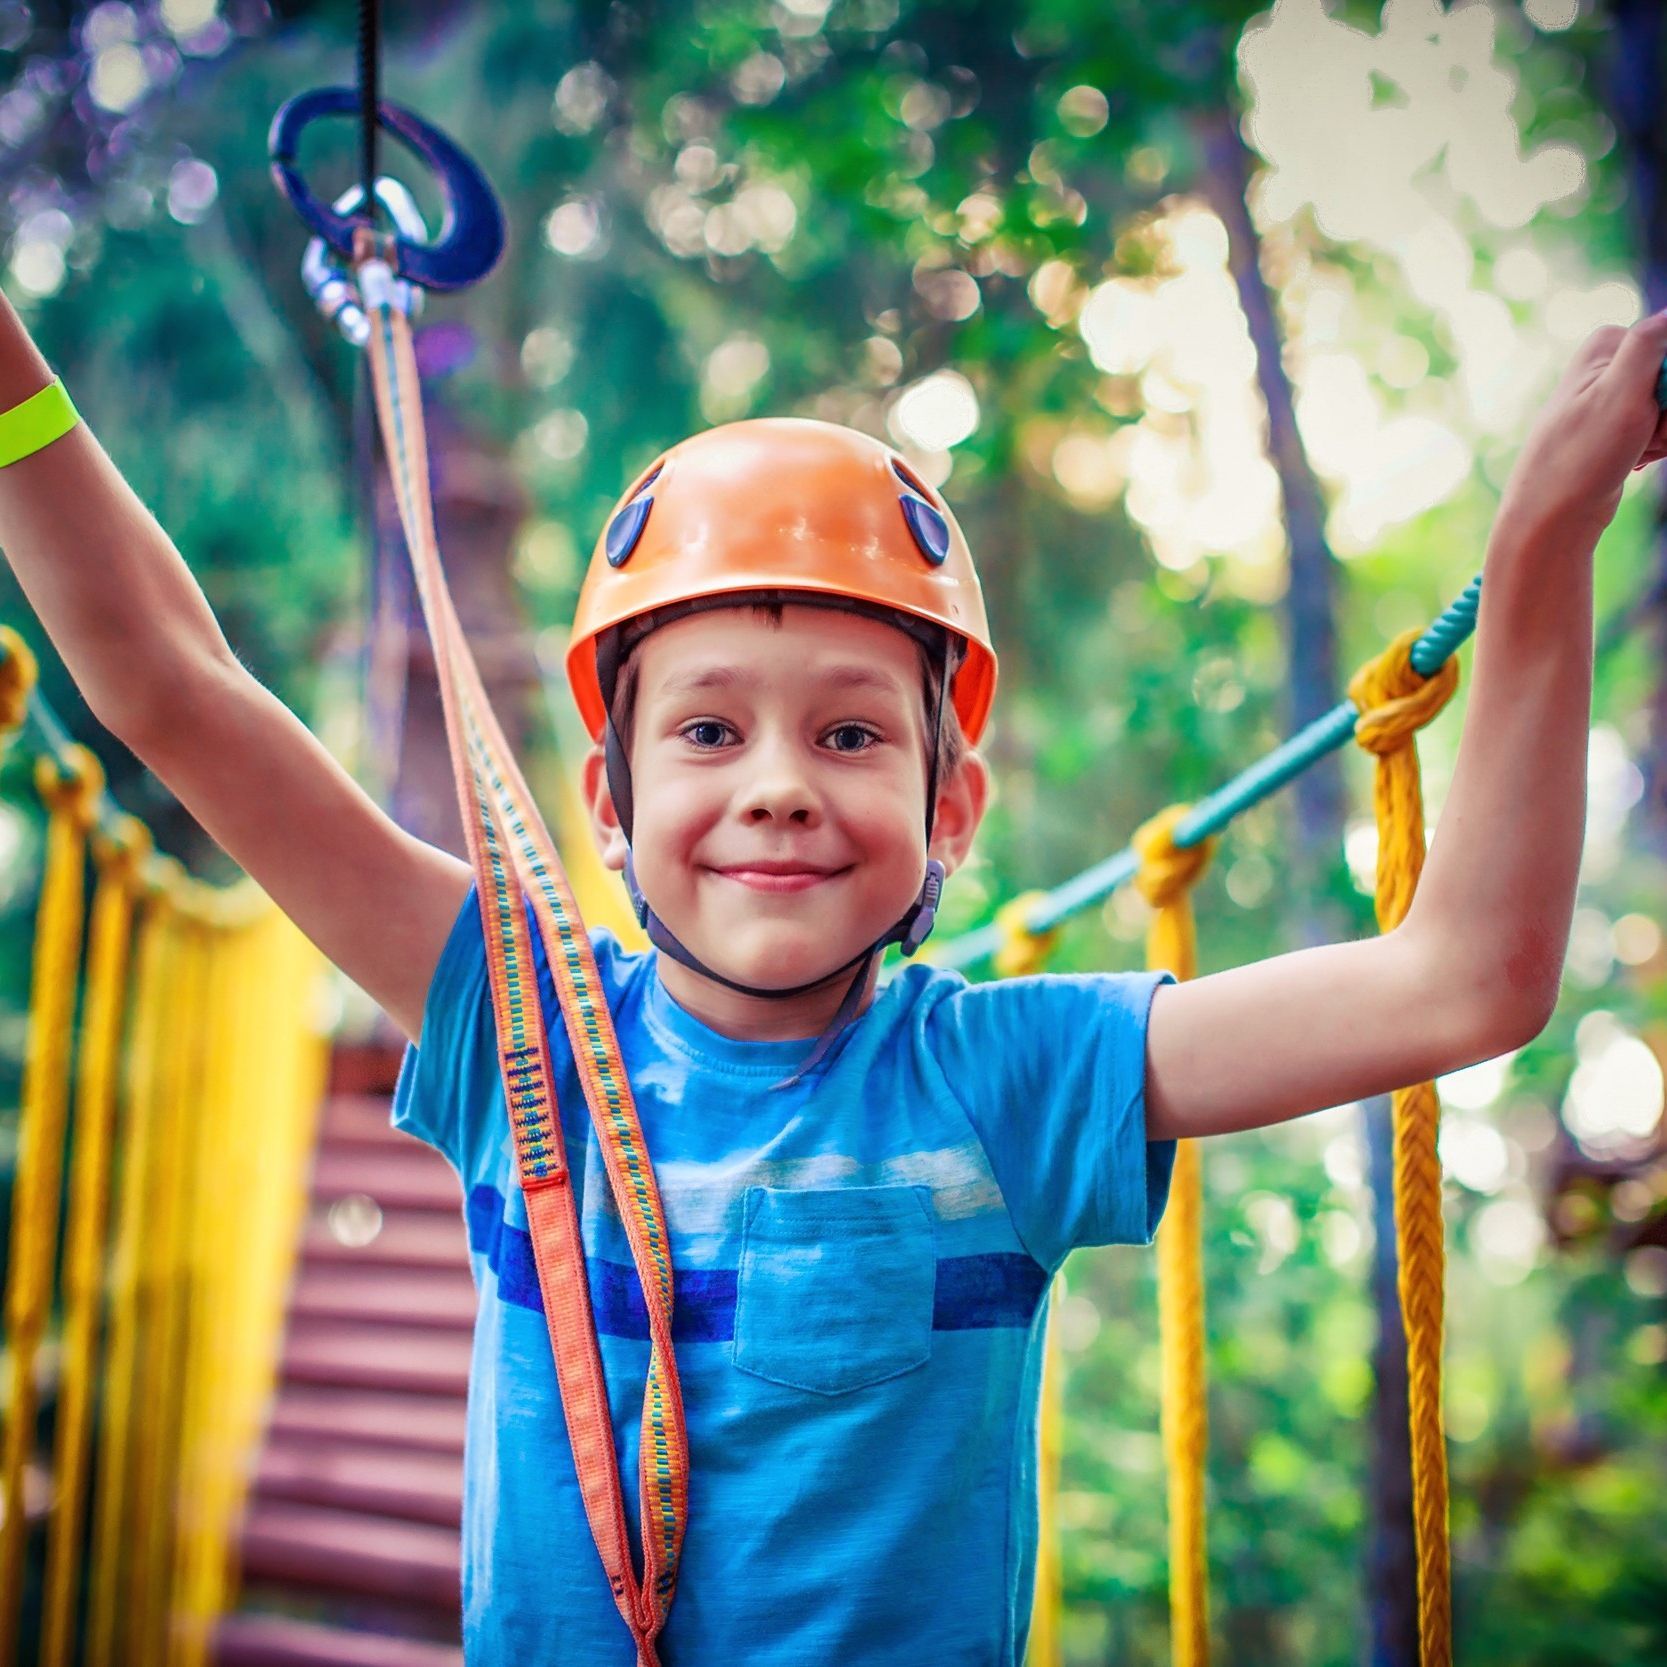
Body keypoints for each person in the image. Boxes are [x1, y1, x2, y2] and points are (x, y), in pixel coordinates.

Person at [1, 274, 1664, 1664]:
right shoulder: (506, 1023)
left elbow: (1466, 986)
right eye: (710, 728)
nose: (780, 782)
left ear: (950, 810)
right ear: (612, 799)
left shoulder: (1011, 1084)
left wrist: (1543, 544)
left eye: (853, 734)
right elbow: (171, 687)